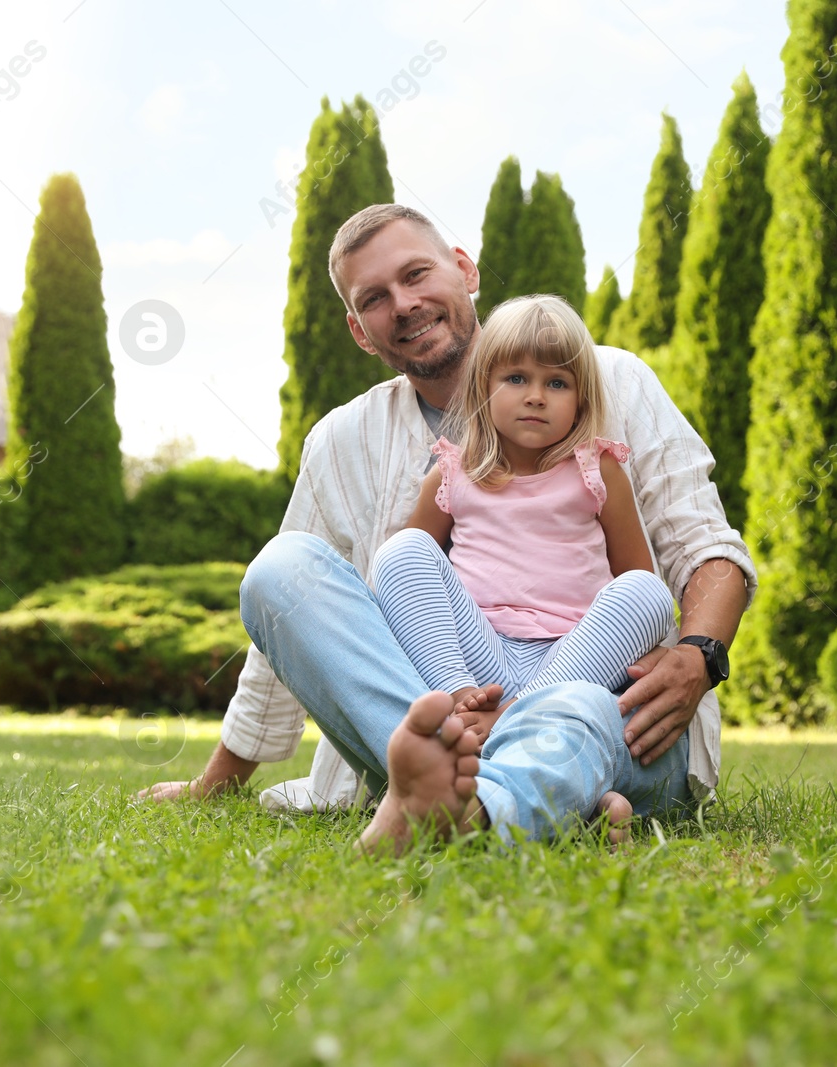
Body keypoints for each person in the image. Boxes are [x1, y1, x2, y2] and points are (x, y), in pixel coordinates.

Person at [139, 204, 755, 855]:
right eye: (375, 298)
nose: (403, 304)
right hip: (451, 694)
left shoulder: (612, 380)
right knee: (280, 570)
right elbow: (289, 628)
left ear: (464, 270)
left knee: (589, 696)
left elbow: (706, 548)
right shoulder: (341, 441)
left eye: (416, 274)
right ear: (358, 329)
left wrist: (698, 656)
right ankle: (489, 789)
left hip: (604, 712)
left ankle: (467, 794)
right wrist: (221, 780)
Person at [367, 294, 677, 836]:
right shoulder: (453, 473)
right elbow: (413, 578)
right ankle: (463, 715)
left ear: (582, 399)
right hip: (477, 657)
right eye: (515, 379)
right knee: (400, 551)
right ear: (483, 386)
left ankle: (513, 733)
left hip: (572, 663)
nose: (535, 397)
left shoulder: (597, 468)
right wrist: (463, 684)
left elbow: (638, 587)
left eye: (556, 383)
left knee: (647, 593)